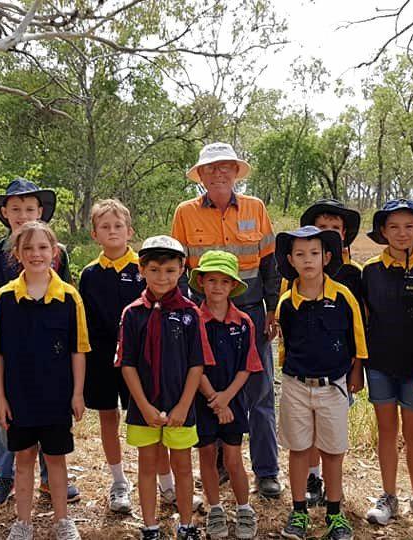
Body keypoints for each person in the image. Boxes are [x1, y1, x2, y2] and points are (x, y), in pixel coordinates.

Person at [171, 142, 283, 498]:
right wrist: (188, 316)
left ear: (236, 172)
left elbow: (269, 264)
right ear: (200, 175)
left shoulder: (255, 208)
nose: (219, 173)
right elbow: (178, 268)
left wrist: (270, 308)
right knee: (210, 386)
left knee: (260, 390)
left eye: (226, 167)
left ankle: (266, 471)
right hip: (204, 314)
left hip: (249, 312)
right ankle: (218, 467)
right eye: (211, 168)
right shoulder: (185, 213)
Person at [0, 178, 79, 506]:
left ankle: (52, 479)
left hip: (50, 351)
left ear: (41, 212)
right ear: (5, 213)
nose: (23, 214)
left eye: (30, 208)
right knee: (8, 417)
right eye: (16, 209)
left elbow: (65, 297)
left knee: (52, 413)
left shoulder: (57, 253)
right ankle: (4, 476)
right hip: (13, 347)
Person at [0, 221, 88, 540]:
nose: (36, 254)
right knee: (23, 461)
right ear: (16, 254)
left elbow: (78, 350)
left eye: (43, 247)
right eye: (27, 248)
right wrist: (0, 399)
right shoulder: (3, 299)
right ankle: (23, 523)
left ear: (55, 252)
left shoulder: (70, 297)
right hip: (19, 398)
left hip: (57, 396)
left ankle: (62, 521)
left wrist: (77, 393)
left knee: (56, 461)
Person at [117, 236, 212, 540]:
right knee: (147, 465)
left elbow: (197, 364)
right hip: (143, 407)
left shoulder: (190, 313)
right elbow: (127, 364)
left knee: (183, 466)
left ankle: (186, 525)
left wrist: (184, 405)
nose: (162, 277)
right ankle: (150, 526)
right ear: (141, 269)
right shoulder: (132, 313)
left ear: (182, 269)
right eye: (155, 270)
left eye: (170, 270)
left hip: (180, 406)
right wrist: (143, 406)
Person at [274, 226, 366, 540]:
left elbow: (357, 337)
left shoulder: (343, 296)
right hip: (296, 385)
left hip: (334, 385)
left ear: (327, 256)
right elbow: (285, 343)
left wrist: (357, 371)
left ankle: (335, 514)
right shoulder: (286, 302)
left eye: (314, 253)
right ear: (290, 259)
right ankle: (299, 511)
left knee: (333, 451)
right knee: (299, 449)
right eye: (300, 254)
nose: (308, 259)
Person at [360, 199, 413, 524]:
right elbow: (363, 320)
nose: (401, 233)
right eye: (393, 226)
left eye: (408, 226)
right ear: (382, 231)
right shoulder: (370, 271)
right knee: (386, 431)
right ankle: (388, 496)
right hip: (379, 364)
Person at [188, 250, 262, 539]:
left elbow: (247, 367)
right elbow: (193, 365)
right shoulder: (192, 320)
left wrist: (226, 399)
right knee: (206, 454)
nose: (217, 286)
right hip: (202, 397)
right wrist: (215, 401)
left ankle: (244, 508)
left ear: (233, 285)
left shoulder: (244, 322)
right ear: (202, 282)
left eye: (223, 281)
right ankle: (215, 508)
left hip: (233, 400)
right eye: (211, 280)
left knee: (233, 457)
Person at [77, 199, 142, 514]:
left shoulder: (145, 267)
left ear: (130, 231)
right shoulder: (89, 274)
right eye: (105, 227)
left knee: (146, 418)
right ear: (95, 235)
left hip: (139, 359)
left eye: (118, 226)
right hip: (101, 358)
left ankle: (165, 480)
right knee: (108, 417)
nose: (112, 231)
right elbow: (83, 321)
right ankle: (119, 482)